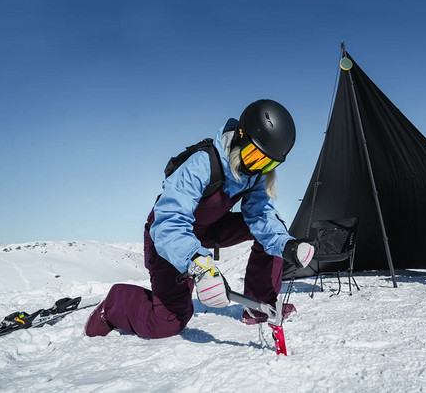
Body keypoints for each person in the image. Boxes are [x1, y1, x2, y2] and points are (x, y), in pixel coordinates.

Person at [85, 99, 315, 338]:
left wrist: (288, 245)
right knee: (167, 322)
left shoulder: (255, 175)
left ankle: (257, 306)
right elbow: (169, 222)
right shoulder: (202, 164)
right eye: (253, 156)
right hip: (167, 235)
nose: (256, 168)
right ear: (240, 138)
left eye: (267, 163)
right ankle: (112, 305)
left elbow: (261, 216)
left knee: (270, 233)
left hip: (207, 229)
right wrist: (199, 266)